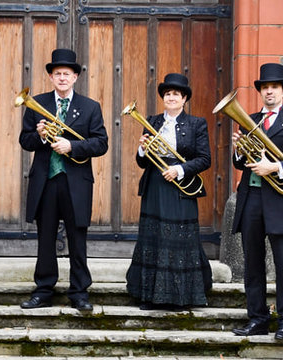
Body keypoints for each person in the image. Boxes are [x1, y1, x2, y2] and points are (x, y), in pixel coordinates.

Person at [19, 48, 108, 311]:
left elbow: (101, 143)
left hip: (76, 181)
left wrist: (72, 147)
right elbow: (25, 141)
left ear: (75, 77)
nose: (61, 78)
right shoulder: (36, 103)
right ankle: (44, 289)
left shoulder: (90, 107)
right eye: (57, 73)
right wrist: (42, 136)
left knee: (77, 237)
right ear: (50, 77)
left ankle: (79, 291)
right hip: (46, 180)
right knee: (45, 237)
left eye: (66, 74)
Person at [126, 73, 212, 310]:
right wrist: (142, 150)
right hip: (155, 185)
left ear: (184, 98)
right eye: (168, 94)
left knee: (177, 239)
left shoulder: (197, 124)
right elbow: (142, 162)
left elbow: (205, 159)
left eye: (176, 94)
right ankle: (150, 296)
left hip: (180, 187)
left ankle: (180, 297)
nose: (171, 97)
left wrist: (180, 170)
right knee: (153, 239)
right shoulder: (152, 121)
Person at [232, 63, 283, 340]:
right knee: (253, 263)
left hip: (278, 200)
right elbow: (239, 162)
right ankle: (258, 318)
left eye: (274, 87)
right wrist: (240, 152)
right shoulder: (249, 119)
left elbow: (273, 164)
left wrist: (275, 168)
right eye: (265, 88)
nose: (269, 92)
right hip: (251, 199)